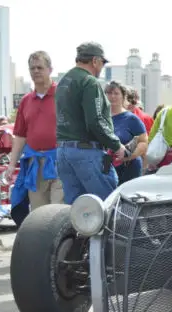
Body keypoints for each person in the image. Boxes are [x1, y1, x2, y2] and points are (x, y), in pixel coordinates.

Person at [55, 42, 126, 204]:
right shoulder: (89, 82)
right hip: (86, 153)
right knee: (107, 205)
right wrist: (116, 145)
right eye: (102, 62)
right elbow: (95, 121)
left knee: (76, 210)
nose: (102, 68)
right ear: (95, 61)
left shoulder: (63, 82)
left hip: (63, 152)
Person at [7, 50, 64, 217]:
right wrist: (11, 165)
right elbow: (20, 136)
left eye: (40, 67)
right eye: (32, 68)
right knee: (39, 216)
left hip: (60, 162)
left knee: (58, 211)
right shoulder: (25, 101)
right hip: (34, 164)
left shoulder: (63, 95)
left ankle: (60, 244)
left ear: (50, 70)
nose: (36, 71)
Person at [105, 81, 149, 185]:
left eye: (116, 93)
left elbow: (143, 142)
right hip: (106, 167)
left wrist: (129, 156)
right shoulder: (100, 118)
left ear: (123, 96)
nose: (112, 96)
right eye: (109, 93)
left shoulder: (131, 119)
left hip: (129, 168)